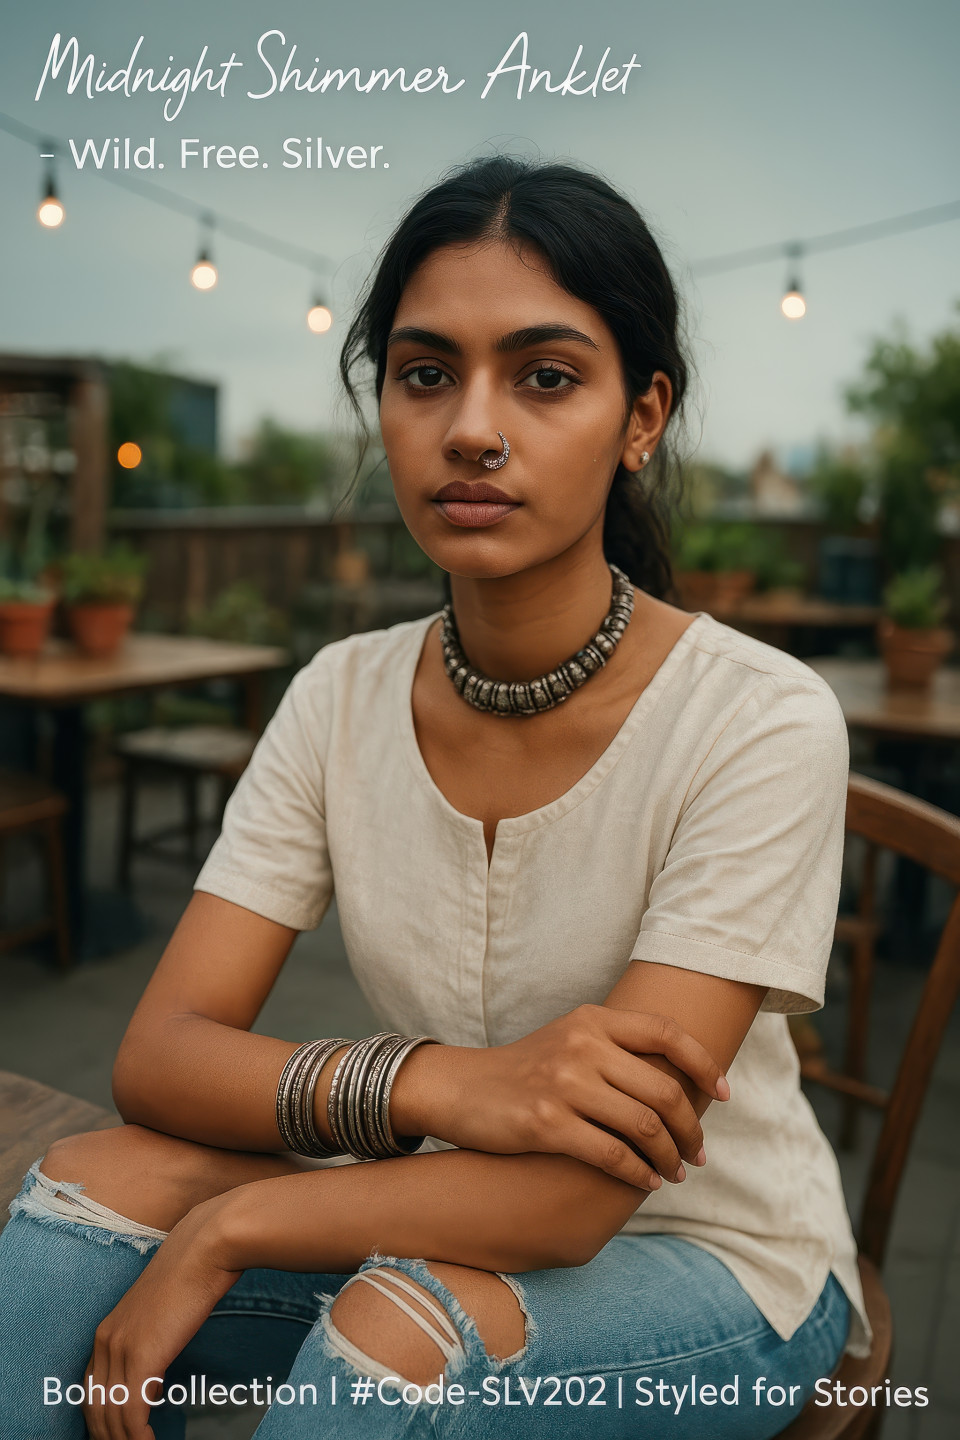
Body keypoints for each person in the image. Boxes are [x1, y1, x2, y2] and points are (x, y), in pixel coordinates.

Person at [0, 154, 868, 1440]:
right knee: (80, 1199)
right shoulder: (340, 696)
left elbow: (576, 1197)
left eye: (546, 375)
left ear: (643, 417)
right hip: (433, 1192)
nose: (471, 426)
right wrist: (443, 1086)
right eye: (424, 374)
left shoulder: (759, 718)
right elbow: (161, 1056)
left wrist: (236, 1222)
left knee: (394, 1337)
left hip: (713, 1262)